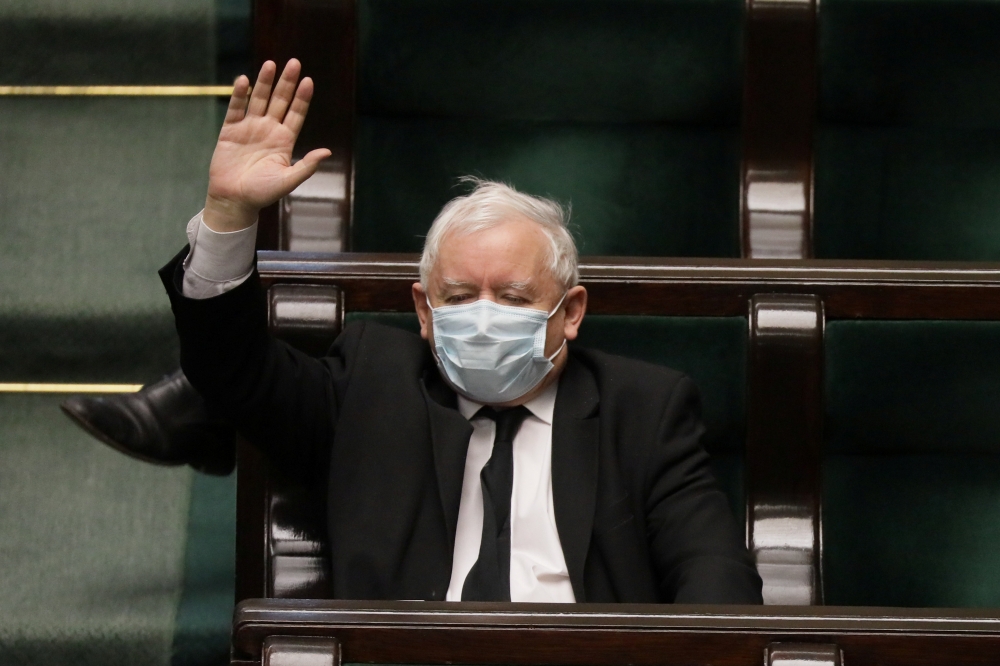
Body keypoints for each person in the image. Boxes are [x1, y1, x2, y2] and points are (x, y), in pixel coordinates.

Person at [63, 59, 763, 604]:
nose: (483, 313)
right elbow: (230, 371)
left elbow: (715, 578)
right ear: (424, 312)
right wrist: (227, 215)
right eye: (458, 295)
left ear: (571, 312)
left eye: (514, 296)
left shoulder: (646, 409)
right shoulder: (369, 382)